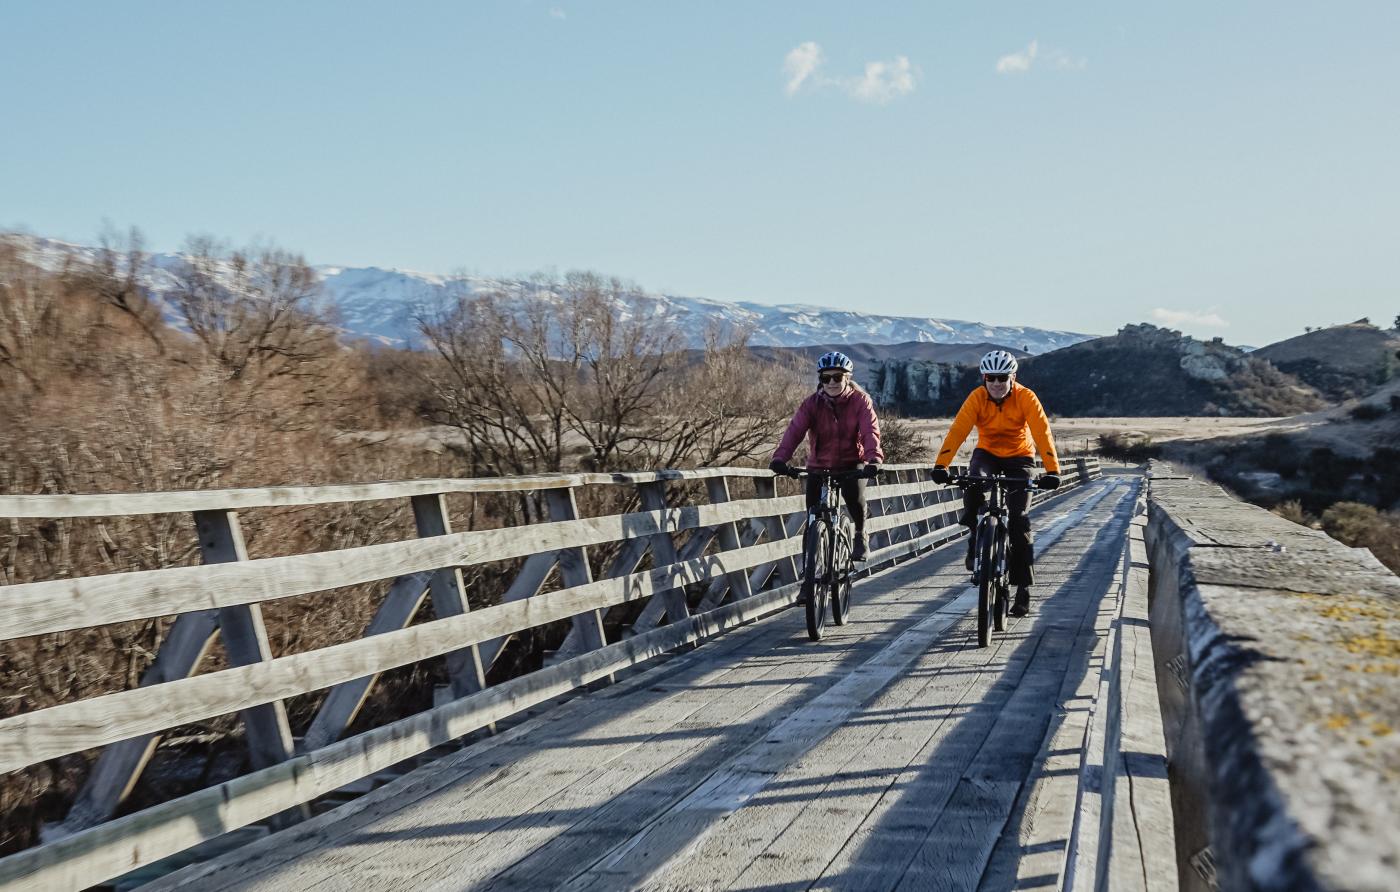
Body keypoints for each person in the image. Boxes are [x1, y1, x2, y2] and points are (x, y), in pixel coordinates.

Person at [930, 350, 1061, 617]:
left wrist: (1052, 471)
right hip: (987, 453)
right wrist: (941, 465)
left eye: (1003, 378)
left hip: (1020, 457)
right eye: (991, 378)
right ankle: (975, 535)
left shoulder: (1026, 397)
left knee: (1018, 520)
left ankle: (1023, 588)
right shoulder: (977, 397)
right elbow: (959, 430)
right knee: (973, 481)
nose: (997, 383)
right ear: (984, 378)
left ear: (1013, 377)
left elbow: (1042, 433)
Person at [769, 351, 884, 561]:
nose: (831, 382)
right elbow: (794, 431)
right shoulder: (811, 404)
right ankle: (809, 576)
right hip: (819, 465)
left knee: (854, 498)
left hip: (852, 464)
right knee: (812, 518)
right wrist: (780, 458)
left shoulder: (860, 401)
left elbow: (870, 431)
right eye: (825, 378)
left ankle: (860, 534)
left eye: (837, 377)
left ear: (847, 378)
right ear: (820, 380)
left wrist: (874, 459)